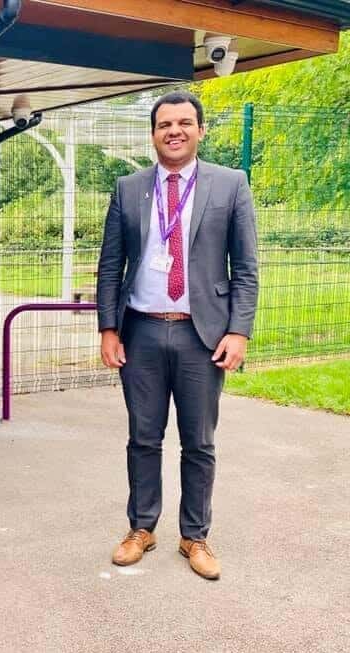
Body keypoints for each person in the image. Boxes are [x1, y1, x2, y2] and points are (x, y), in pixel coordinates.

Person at [96, 90, 258, 580]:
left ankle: (195, 537)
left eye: (185, 122)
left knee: (199, 442)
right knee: (143, 437)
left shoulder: (231, 185)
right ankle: (141, 529)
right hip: (141, 332)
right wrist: (108, 327)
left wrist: (239, 331)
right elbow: (110, 265)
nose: (175, 131)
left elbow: (246, 268)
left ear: (200, 130)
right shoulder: (128, 188)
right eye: (165, 124)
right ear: (153, 134)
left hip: (201, 336)